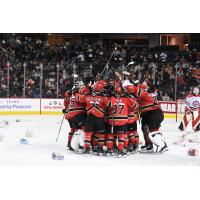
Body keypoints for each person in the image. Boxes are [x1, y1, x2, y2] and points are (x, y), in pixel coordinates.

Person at [125, 84, 168, 153]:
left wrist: (127, 86)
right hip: (149, 114)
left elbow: (135, 90)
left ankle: (162, 145)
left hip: (153, 113)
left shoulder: (145, 94)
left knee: (153, 131)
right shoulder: (144, 95)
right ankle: (149, 144)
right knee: (145, 129)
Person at [75, 80, 109, 154]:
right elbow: (109, 105)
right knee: (101, 133)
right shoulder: (103, 96)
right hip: (100, 117)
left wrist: (76, 92)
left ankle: (86, 148)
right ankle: (100, 148)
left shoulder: (88, 95)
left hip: (90, 117)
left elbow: (79, 99)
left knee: (88, 133)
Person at [63, 81, 88, 150]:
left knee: (74, 129)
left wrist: (65, 109)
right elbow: (83, 100)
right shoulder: (79, 92)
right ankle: (81, 144)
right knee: (84, 129)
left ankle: (70, 143)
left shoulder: (70, 93)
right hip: (78, 113)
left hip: (69, 114)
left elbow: (65, 101)